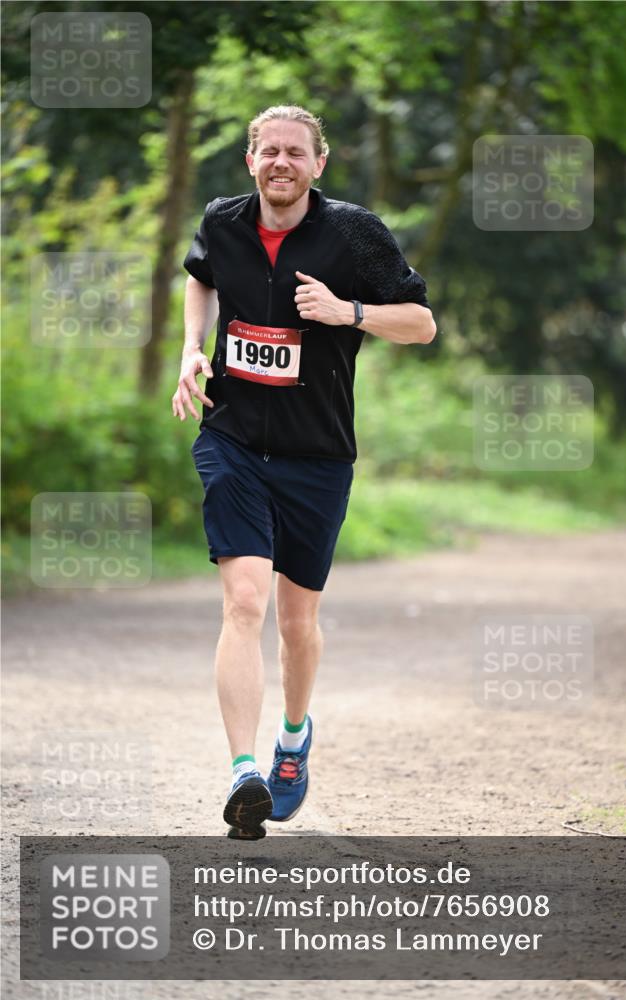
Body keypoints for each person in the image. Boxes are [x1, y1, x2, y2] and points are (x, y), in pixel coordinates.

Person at [173, 105, 436, 839]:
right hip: (229, 438)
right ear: (250, 160)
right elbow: (200, 277)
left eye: (296, 152)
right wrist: (192, 350)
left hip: (317, 454)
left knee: (296, 621)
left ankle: (292, 738)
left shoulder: (353, 233)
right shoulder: (222, 221)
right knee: (244, 603)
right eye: (269, 151)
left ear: (318, 164)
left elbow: (421, 324)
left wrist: (346, 311)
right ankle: (242, 772)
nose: (281, 162)